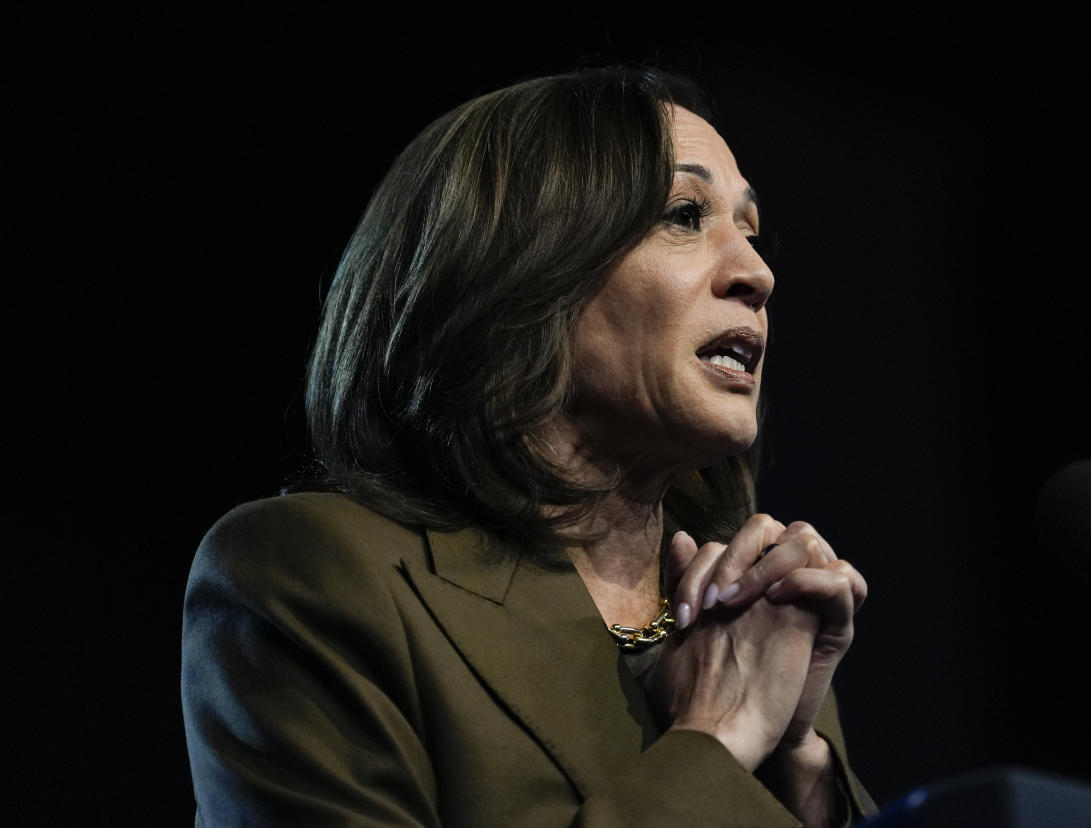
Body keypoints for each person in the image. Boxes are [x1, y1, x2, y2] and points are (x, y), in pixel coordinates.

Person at [182, 66, 877, 826]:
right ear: (518, 268)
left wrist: (804, 767)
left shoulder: (749, 622)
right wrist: (712, 742)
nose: (758, 273)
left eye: (749, 231)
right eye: (684, 214)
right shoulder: (315, 573)